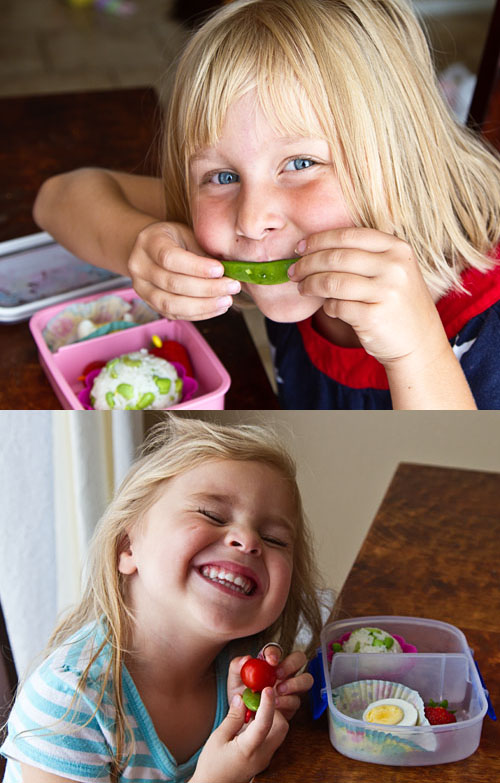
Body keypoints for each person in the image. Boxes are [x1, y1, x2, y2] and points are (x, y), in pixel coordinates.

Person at [32, 0, 500, 409]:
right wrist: (143, 250)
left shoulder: (489, 328)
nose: (252, 221)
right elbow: (58, 199)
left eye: (300, 163)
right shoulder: (264, 231)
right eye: (223, 176)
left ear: (402, 159)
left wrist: (417, 355)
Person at [1, 415, 323, 783]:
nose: (247, 540)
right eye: (212, 514)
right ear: (127, 548)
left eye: (275, 539)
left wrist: (249, 721)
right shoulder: (70, 703)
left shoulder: (239, 673)